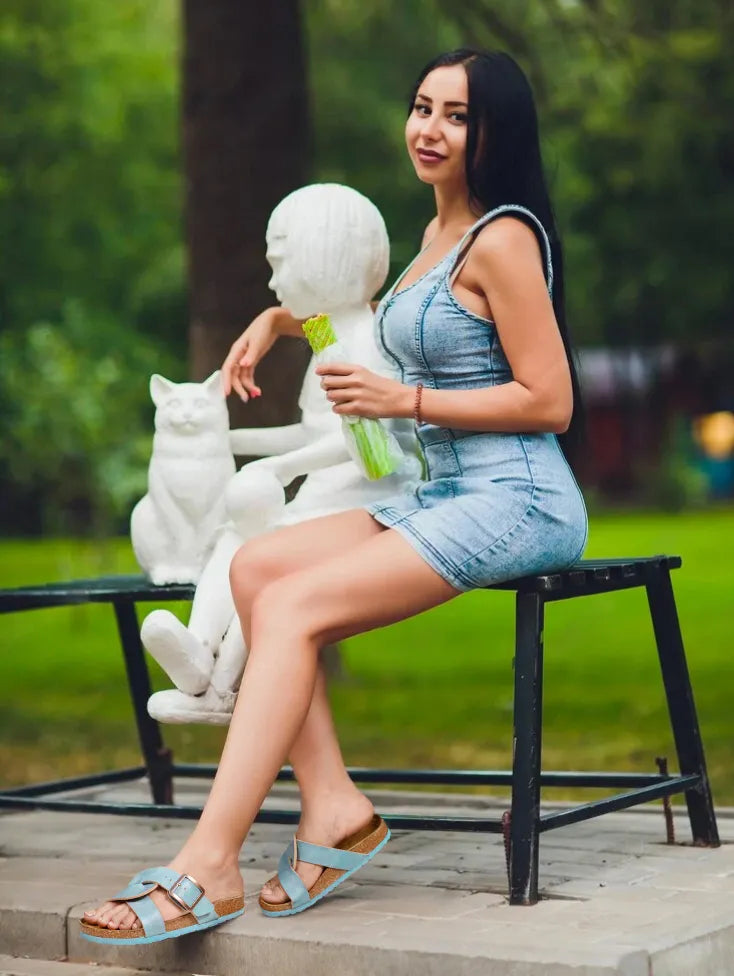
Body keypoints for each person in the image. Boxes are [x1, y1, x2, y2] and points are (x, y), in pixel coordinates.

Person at [81, 47, 588, 943]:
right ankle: (333, 808)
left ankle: (208, 862)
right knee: (258, 566)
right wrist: (282, 319)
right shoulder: (435, 238)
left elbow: (550, 401)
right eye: (421, 105)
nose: (429, 128)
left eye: (457, 115)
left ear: (492, 132)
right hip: (443, 489)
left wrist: (409, 403)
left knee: (298, 602)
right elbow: (367, 348)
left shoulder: (503, 239)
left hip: (517, 495)